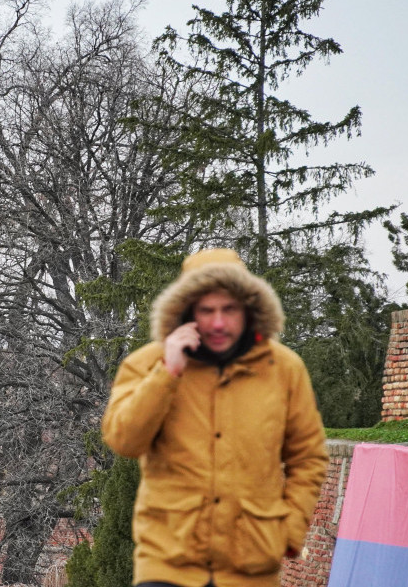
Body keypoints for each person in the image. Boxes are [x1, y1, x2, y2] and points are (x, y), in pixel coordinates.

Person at [101, 249, 328, 587]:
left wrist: (290, 528)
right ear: (187, 311)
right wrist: (167, 373)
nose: (218, 322)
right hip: (168, 562)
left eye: (229, 309)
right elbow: (124, 441)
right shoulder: (147, 364)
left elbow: (308, 457)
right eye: (207, 310)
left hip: (251, 568)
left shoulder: (284, 369)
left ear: (249, 309)